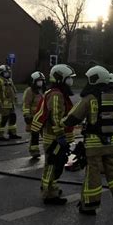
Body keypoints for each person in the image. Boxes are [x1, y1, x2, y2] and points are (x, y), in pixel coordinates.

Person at [62, 66, 113, 215]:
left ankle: (90, 205)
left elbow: (74, 117)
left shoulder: (90, 98)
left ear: (94, 79)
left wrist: (62, 123)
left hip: (94, 144)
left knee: (93, 174)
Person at [31, 64, 76, 205]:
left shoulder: (58, 92)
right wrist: (60, 135)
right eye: (69, 78)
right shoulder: (56, 94)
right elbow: (55, 117)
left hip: (55, 137)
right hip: (54, 138)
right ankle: (49, 194)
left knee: (56, 164)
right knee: (53, 165)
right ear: (61, 78)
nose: (71, 81)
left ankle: (52, 188)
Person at [0, 65, 21, 141]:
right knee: (3, 119)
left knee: (13, 118)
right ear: (1, 72)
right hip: (2, 105)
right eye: (5, 72)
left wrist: (15, 99)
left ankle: (12, 133)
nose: (7, 74)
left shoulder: (9, 80)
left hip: (11, 104)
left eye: (8, 72)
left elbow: (13, 91)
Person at [22, 71, 46, 158]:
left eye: (42, 80)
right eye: (38, 80)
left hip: (44, 117)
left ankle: (49, 150)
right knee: (34, 135)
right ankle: (34, 150)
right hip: (33, 118)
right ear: (33, 81)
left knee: (47, 135)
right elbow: (26, 104)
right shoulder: (29, 91)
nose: (40, 82)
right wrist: (26, 115)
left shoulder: (44, 91)